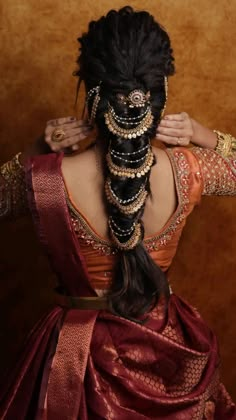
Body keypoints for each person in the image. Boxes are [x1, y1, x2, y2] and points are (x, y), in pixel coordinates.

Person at [0, 6, 236, 419]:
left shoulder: (46, 180)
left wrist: (37, 150)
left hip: (75, 364)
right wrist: (200, 134)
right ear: (157, 92)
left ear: (93, 95)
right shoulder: (188, 169)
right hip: (168, 351)